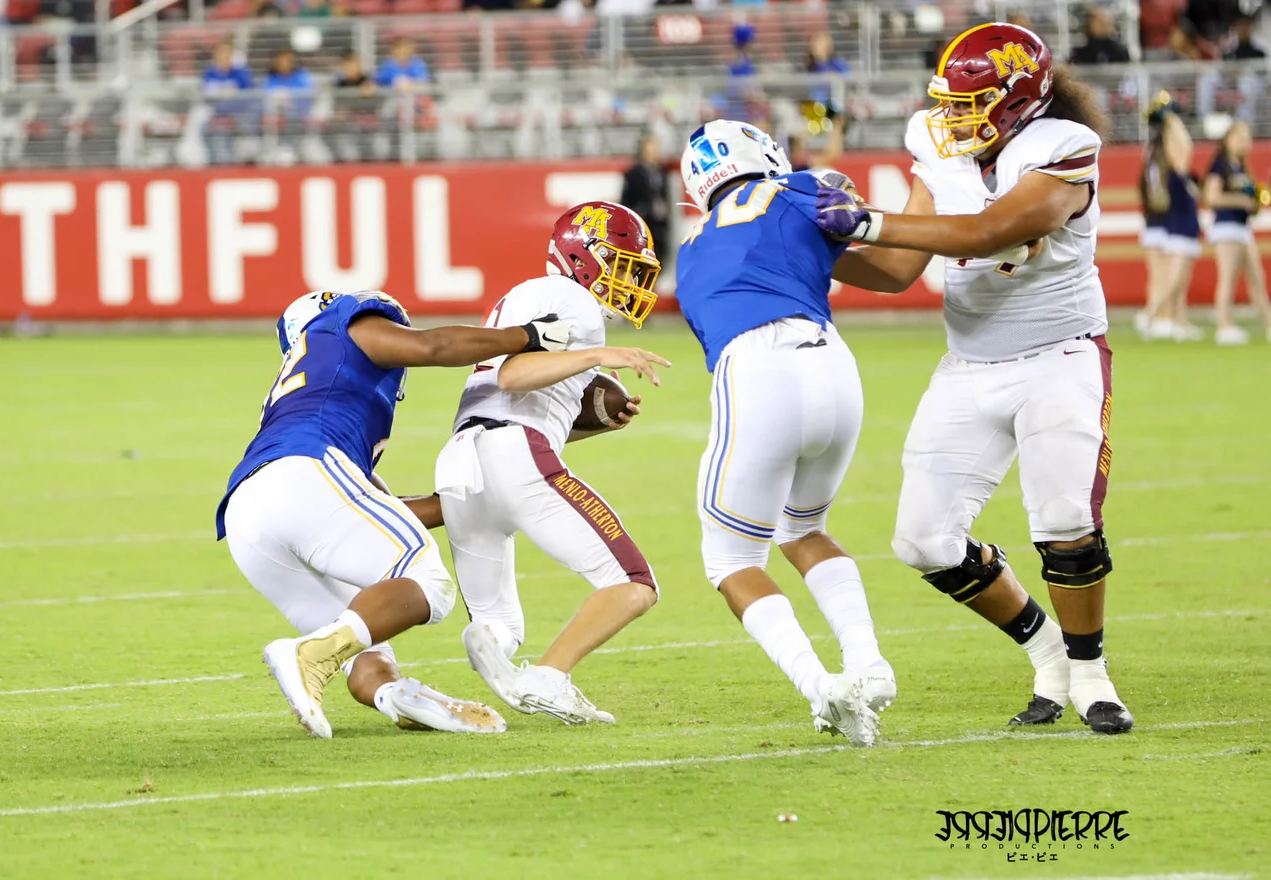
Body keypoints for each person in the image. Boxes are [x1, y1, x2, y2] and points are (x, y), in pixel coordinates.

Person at [814, 23, 1133, 735]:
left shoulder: (1063, 146)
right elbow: (897, 270)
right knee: (923, 539)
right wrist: (807, 249)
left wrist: (864, 222)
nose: (951, 118)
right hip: (969, 363)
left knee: (1066, 520)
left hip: (1059, 355)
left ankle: (1091, 675)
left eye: (968, 103)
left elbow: (992, 231)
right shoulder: (938, 144)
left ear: (1018, 100)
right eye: (948, 103)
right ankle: (1047, 651)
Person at [219, 290, 574, 739]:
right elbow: (434, 346)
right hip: (304, 474)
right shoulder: (339, 326)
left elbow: (379, 510)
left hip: (249, 518)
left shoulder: (308, 398)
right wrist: (525, 336)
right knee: (430, 583)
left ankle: (397, 696)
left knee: (360, 641)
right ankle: (307, 655)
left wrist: (486, 500)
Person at [674, 119, 896, 749]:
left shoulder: (691, 248)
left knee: (731, 560)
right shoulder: (801, 187)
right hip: (832, 363)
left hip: (756, 371)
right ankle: (869, 662)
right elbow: (888, 259)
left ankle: (821, 687)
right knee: (804, 529)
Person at [437, 202, 671, 726]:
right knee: (633, 582)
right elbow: (514, 376)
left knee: (502, 625)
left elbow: (511, 395)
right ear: (581, 257)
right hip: (514, 454)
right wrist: (597, 356)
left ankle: (489, 638)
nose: (629, 280)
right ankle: (549, 677)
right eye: (621, 264)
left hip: (463, 463)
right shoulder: (572, 299)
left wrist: (590, 420)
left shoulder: (528, 295)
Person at [1136, 99, 1202, 341]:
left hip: (1159, 219)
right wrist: (1171, 118)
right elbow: (1185, 147)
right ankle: (1157, 317)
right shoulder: (1170, 162)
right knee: (1168, 277)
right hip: (1168, 221)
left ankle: (1176, 320)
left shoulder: (1152, 153)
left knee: (1172, 277)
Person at [1203, 120, 1271, 344]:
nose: (1244, 143)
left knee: (1258, 279)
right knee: (1228, 278)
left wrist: (1254, 204)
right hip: (1226, 227)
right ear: (1228, 140)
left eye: (1247, 139)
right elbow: (1212, 197)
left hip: (1243, 228)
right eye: (1240, 138)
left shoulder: (1242, 167)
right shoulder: (1220, 165)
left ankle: (1268, 324)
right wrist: (1240, 201)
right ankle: (1224, 326)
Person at [620, 135, 673, 267]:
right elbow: (627, 200)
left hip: (659, 225)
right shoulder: (633, 174)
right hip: (643, 223)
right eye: (651, 150)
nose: (655, 153)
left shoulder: (661, 173)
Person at [202, 41, 255, 166]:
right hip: (216, 114)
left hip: (239, 113)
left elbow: (248, 94)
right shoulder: (210, 73)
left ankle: (247, 158)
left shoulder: (240, 72)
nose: (224, 56)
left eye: (228, 53)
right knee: (205, 126)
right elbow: (207, 96)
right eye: (221, 53)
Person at [263, 50, 315, 127]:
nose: (283, 63)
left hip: (300, 111)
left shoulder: (302, 76)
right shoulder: (272, 78)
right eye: (280, 60)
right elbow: (266, 94)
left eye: (286, 60)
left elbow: (307, 94)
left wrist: (288, 97)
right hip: (278, 112)